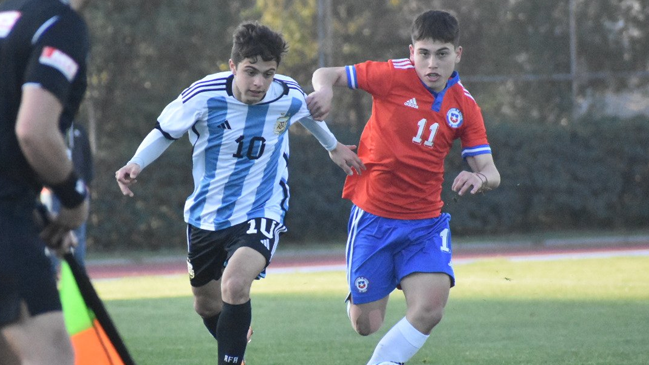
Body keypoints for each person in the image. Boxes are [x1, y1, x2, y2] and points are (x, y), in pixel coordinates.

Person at [115, 21, 364, 365]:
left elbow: (306, 113)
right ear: (233, 66)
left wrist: (333, 146)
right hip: (206, 215)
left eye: (268, 73)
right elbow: (164, 131)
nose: (260, 82)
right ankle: (236, 344)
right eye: (251, 72)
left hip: (262, 208)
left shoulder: (286, 92)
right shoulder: (204, 95)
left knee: (234, 285)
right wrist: (135, 164)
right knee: (206, 303)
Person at [307, 9, 501, 365]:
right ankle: (365, 290)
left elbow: (491, 172)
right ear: (412, 52)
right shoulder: (391, 75)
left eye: (442, 53)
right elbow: (326, 73)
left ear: (457, 54)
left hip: (425, 223)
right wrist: (324, 91)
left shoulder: (466, 107)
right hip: (374, 217)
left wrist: (479, 177)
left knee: (430, 308)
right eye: (423, 53)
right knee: (366, 325)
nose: (431, 63)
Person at [0, 0, 91, 364]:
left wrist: (32, 215)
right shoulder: (58, 22)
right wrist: (74, 200)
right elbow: (33, 132)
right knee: (51, 353)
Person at [42, 122, 94, 270]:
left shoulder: (79, 129)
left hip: (77, 189)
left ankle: (78, 271)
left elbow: (87, 158)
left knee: (78, 234)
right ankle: (51, 272)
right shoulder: (48, 126)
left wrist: (87, 184)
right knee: (52, 231)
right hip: (53, 189)